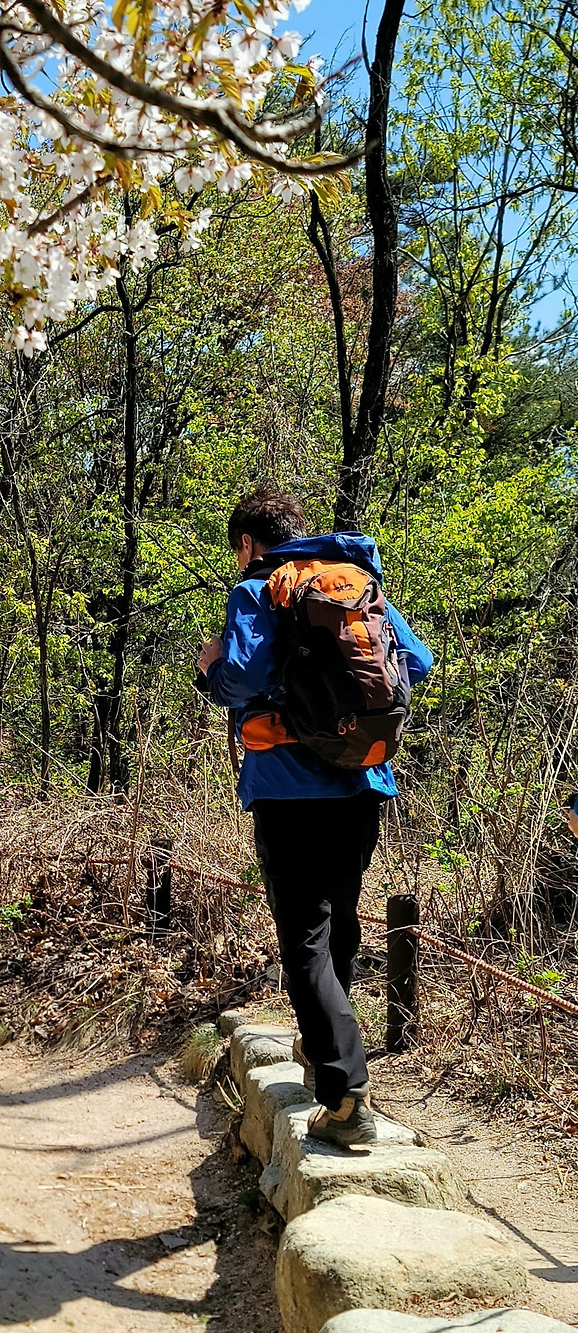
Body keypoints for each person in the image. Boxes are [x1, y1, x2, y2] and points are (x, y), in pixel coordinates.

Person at [197, 487, 433, 1150]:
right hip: (364, 780)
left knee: (305, 940)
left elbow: (241, 681)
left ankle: (344, 1095)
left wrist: (211, 668)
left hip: (287, 787)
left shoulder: (256, 591)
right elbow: (418, 662)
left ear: (249, 543)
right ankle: (324, 1045)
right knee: (339, 924)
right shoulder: (357, 585)